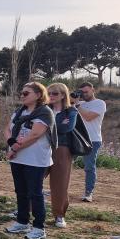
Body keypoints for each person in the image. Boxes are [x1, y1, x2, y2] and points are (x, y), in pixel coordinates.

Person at [3, 82, 56, 239]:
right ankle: (22, 221)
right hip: (18, 158)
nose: (22, 95)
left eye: (26, 93)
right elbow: (7, 130)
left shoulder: (45, 113)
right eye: (22, 93)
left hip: (35, 160)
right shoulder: (19, 112)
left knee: (35, 193)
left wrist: (14, 149)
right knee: (21, 191)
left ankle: (39, 228)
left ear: (39, 95)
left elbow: (35, 135)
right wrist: (12, 144)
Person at [47, 83, 77, 228]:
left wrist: (46, 126)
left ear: (63, 95)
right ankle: (25, 210)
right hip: (41, 147)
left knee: (59, 184)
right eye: (49, 93)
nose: (51, 96)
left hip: (62, 149)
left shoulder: (71, 111)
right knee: (32, 179)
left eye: (55, 93)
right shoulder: (44, 109)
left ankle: (59, 215)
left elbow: (67, 127)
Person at [72, 82, 106, 202]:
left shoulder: (100, 103)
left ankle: (88, 193)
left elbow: (88, 117)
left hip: (93, 140)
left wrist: (76, 104)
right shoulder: (78, 103)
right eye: (82, 92)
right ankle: (57, 188)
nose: (84, 94)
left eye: (86, 92)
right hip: (76, 139)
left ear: (93, 90)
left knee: (89, 167)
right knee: (62, 164)